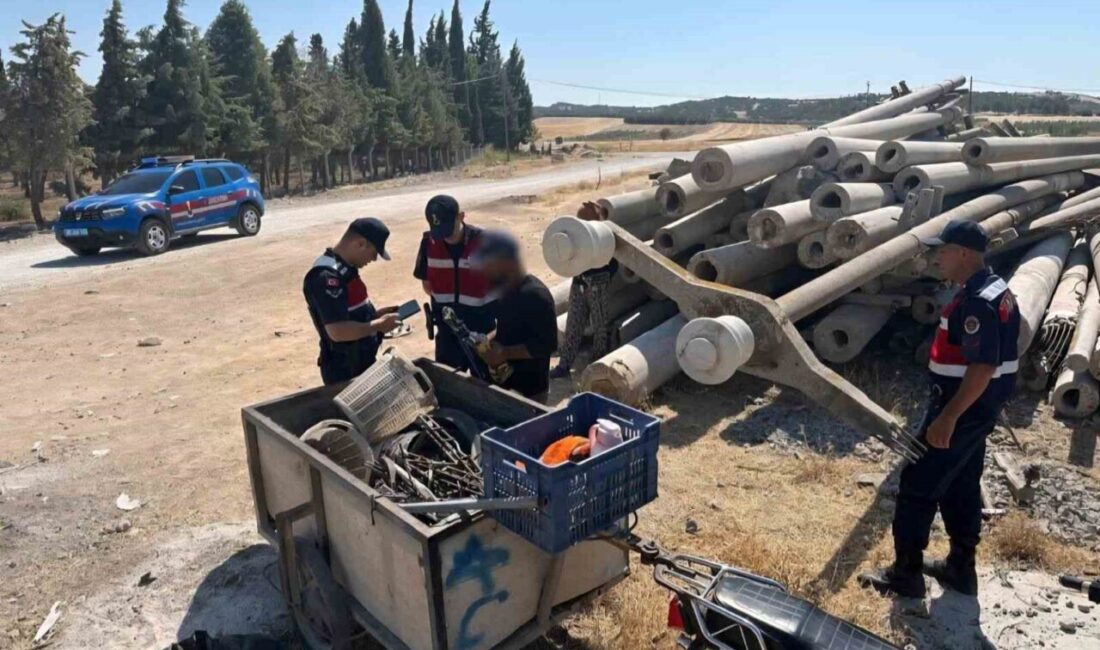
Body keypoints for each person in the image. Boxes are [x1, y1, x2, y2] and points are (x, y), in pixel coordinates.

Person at [860, 219, 1020, 599]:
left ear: (963, 253)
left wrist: (948, 417)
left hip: (961, 406)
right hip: (978, 408)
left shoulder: (977, 301)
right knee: (961, 484)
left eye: (942, 250)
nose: (936, 257)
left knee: (917, 484)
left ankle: (905, 575)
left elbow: (982, 367)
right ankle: (961, 569)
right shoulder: (994, 289)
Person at [303, 218, 401, 385]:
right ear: (361, 243)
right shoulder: (326, 276)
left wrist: (376, 316)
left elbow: (349, 314)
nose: (374, 259)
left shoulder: (345, 269)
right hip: (344, 370)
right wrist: (378, 325)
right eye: (374, 253)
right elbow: (337, 331)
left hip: (360, 363)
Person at [414, 195, 496, 370]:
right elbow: (427, 285)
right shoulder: (428, 242)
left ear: (461, 216)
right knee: (450, 379)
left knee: (483, 384)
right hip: (447, 332)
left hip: (481, 330)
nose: (445, 237)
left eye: (448, 229)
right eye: (439, 231)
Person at [476, 230, 558, 402]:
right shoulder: (504, 290)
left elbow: (546, 345)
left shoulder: (536, 296)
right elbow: (507, 326)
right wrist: (487, 340)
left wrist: (505, 353)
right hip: (506, 383)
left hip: (531, 388)